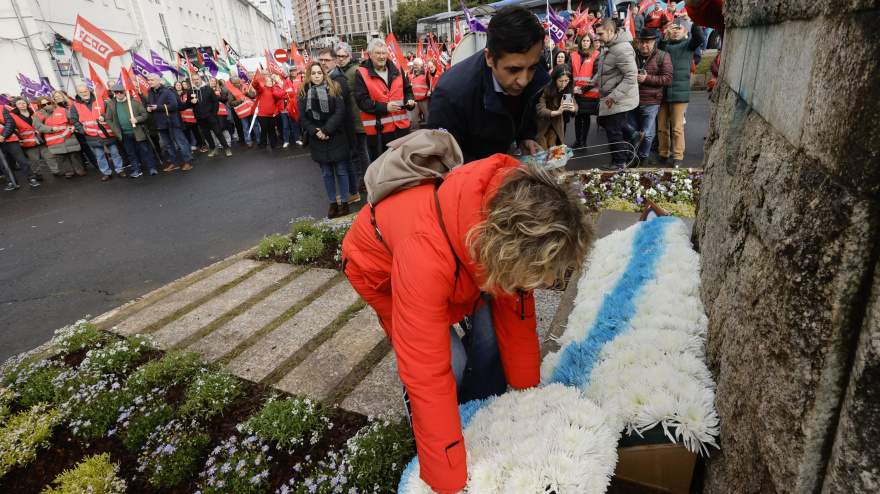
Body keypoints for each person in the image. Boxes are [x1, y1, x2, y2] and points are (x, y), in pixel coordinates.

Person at [341, 154, 595, 494]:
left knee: (490, 339)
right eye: (541, 280)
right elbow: (426, 370)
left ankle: (477, 413)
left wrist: (525, 397)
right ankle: (436, 433)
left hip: (459, 258)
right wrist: (447, 477)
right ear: (511, 254)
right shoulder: (425, 256)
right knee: (450, 359)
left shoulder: (506, 214)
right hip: (383, 271)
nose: (541, 288)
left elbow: (517, 315)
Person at [428, 6, 549, 162]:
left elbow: (528, 108)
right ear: (490, 57)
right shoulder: (451, 94)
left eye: (532, 67)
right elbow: (442, 157)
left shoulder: (538, 68)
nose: (524, 81)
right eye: (513, 70)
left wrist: (525, 137)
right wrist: (490, 171)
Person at [297, 61, 350, 218]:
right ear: (309, 75)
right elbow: (302, 117)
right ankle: (333, 203)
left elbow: (340, 112)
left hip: (336, 136)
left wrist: (326, 130)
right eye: (313, 73)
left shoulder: (334, 87)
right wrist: (316, 131)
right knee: (326, 173)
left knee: (341, 170)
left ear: (323, 73)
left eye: (319, 73)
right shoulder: (303, 92)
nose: (316, 76)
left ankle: (345, 202)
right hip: (317, 138)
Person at [651, 17, 704, 168]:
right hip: (663, 92)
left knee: (677, 127)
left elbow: (699, 37)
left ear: (685, 31)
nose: (675, 31)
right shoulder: (665, 45)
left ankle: (678, 156)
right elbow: (658, 51)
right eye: (673, 28)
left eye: (679, 29)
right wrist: (663, 36)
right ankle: (663, 153)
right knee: (661, 127)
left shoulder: (688, 45)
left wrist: (694, 20)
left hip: (679, 93)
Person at [594, 18, 644, 170]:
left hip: (619, 97)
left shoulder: (621, 49)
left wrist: (614, 96)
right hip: (611, 96)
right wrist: (592, 82)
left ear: (611, 31)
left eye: (600, 34)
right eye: (597, 34)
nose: (598, 37)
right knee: (602, 120)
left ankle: (619, 163)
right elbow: (604, 70)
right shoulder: (609, 45)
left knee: (613, 129)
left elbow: (631, 76)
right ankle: (634, 135)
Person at [353, 38, 415, 161]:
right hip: (379, 132)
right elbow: (362, 102)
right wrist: (385, 107)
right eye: (378, 53)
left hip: (402, 128)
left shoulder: (397, 68)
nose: (382, 56)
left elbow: (407, 90)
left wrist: (410, 101)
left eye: (384, 53)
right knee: (384, 167)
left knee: (405, 163)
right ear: (369, 54)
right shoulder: (361, 73)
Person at [319, 47, 360, 205]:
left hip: (342, 130)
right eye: (321, 60)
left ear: (335, 62)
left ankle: (353, 193)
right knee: (346, 162)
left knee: (346, 163)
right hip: (338, 130)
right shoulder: (328, 77)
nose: (323, 63)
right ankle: (352, 192)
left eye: (327, 60)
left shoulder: (338, 80)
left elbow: (339, 111)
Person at [627, 28, 672, 167]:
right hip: (632, 100)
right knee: (632, 132)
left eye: (647, 42)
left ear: (654, 42)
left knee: (646, 132)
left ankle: (643, 158)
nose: (644, 45)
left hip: (651, 101)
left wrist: (647, 79)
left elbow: (667, 79)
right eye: (641, 42)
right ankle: (632, 157)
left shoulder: (663, 56)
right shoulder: (632, 56)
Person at [69, 84, 125, 181]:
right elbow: (74, 120)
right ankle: (106, 173)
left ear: (89, 90)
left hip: (106, 132)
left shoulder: (100, 101)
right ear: (77, 93)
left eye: (85, 91)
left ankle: (120, 170)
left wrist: (103, 116)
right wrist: (83, 131)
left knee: (115, 153)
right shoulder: (74, 106)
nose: (84, 93)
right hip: (91, 134)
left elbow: (110, 113)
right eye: (81, 92)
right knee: (100, 156)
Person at [104, 84, 156, 177]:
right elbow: (108, 119)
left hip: (138, 131)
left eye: (121, 92)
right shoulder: (111, 104)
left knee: (146, 150)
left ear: (125, 92)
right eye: (117, 92)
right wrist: (116, 130)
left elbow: (145, 114)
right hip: (124, 133)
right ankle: (136, 169)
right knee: (131, 153)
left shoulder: (134, 101)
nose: (119, 94)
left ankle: (152, 168)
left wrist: (137, 119)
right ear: (113, 93)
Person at [338, 41, 370, 190]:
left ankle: (365, 179)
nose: (340, 59)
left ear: (350, 56)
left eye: (343, 56)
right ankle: (362, 178)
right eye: (338, 56)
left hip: (358, 118)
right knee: (357, 151)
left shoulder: (355, 71)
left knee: (361, 150)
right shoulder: (343, 71)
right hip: (350, 119)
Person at [146, 73, 193, 171]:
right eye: (148, 80)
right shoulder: (150, 92)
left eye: (152, 80)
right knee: (168, 145)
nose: (150, 82)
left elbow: (174, 106)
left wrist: (157, 107)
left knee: (181, 143)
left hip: (171, 121)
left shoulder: (168, 92)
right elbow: (150, 104)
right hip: (160, 122)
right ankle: (174, 163)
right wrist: (148, 108)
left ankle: (188, 162)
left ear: (158, 81)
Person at [6, 96, 60, 179]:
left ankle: (56, 171)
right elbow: (14, 129)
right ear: (15, 105)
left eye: (23, 103)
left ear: (27, 103)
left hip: (41, 139)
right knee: (34, 160)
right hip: (27, 141)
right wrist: (19, 140)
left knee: (49, 156)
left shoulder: (35, 112)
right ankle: (38, 174)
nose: (22, 105)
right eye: (19, 103)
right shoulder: (13, 116)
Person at [33, 95, 85, 178]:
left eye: (48, 103)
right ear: (40, 106)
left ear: (51, 102)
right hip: (54, 140)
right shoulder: (38, 115)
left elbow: (73, 118)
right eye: (44, 104)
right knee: (62, 157)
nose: (47, 105)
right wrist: (51, 128)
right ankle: (69, 172)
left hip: (68, 136)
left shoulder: (62, 110)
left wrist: (74, 126)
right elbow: (38, 126)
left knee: (74, 155)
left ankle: (80, 171)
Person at [186, 73, 231, 157]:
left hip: (211, 116)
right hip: (199, 117)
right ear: (192, 81)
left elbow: (215, 102)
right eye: (194, 80)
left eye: (197, 79)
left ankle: (226, 148)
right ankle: (213, 149)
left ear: (200, 79)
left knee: (218, 132)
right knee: (206, 134)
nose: (196, 81)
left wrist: (213, 114)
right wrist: (190, 102)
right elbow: (188, 104)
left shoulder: (208, 89)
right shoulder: (190, 91)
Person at [0, 98, 41, 187]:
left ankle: (31, 178)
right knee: (4, 164)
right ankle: (11, 182)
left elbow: (10, 123)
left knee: (22, 160)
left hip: (10, 139)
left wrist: (3, 136)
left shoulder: (2, 108)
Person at [570, 35, 601, 148]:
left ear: (591, 42)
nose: (585, 43)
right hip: (575, 92)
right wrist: (574, 87)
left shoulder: (596, 55)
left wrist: (583, 89)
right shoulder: (573, 55)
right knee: (577, 117)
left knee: (585, 117)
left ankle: (584, 141)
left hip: (588, 92)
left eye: (588, 41)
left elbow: (596, 75)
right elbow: (569, 72)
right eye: (583, 41)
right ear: (580, 42)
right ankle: (577, 140)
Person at [52, 90, 97, 169]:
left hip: (77, 129)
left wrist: (75, 126)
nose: (58, 98)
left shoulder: (71, 105)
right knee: (77, 151)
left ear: (63, 96)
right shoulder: (55, 109)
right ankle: (83, 167)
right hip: (68, 132)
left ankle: (96, 163)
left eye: (59, 95)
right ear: (54, 99)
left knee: (86, 148)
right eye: (56, 97)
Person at [536, 64, 577, 149]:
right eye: (560, 80)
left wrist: (573, 109)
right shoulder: (545, 87)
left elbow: (574, 104)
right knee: (541, 152)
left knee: (554, 152)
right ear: (554, 79)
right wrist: (557, 112)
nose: (563, 84)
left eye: (566, 80)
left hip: (556, 125)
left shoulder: (568, 88)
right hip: (541, 124)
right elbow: (540, 110)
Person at [251, 71, 284, 149]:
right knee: (264, 128)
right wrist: (255, 81)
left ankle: (274, 144)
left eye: (271, 81)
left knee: (272, 129)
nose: (269, 82)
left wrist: (275, 112)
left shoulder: (275, 90)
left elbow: (276, 103)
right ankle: (263, 144)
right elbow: (257, 87)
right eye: (268, 81)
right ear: (265, 83)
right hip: (261, 114)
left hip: (271, 114)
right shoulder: (262, 89)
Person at [228, 76, 260, 148]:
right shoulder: (231, 91)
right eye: (237, 83)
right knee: (245, 128)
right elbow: (231, 103)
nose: (239, 84)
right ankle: (249, 142)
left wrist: (247, 93)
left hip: (251, 110)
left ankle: (259, 140)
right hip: (242, 112)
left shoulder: (246, 86)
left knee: (255, 125)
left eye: (239, 82)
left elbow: (254, 96)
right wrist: (240, 101)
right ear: (232, 83)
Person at [178, 80, 204, 151]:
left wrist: (187, 104)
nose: (180, 86)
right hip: (183, 118)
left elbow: (190, 103)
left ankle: (202, 146)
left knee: (196, 132)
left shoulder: (188, 93)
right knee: (187, 134)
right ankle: (189, 147)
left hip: (191, 117)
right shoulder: (176, 96)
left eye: (181, 85)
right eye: (178, 85)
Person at [208, 77, 233, 146]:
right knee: (216, 129)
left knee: (224, 128)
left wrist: (216, 96)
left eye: (214, 81)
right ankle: (220, 143)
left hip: (221, 112)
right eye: (212, 81)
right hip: (212, 113)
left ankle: (228, 142)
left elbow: (225, 99)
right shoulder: (207, 90)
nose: (213, 82)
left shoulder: (220, 90)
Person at [409, 58, 429, 127]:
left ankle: (430, 129)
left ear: (421, 65)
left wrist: (429, 91)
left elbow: (430, 84)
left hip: (424, 98)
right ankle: (414, 131)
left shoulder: (426, 73)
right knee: (414, 117)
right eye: (414, 65)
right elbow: (405, 85)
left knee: (427, 115)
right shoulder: (409, 73)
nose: (415, 66)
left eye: (416, 65)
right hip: (413, 99)